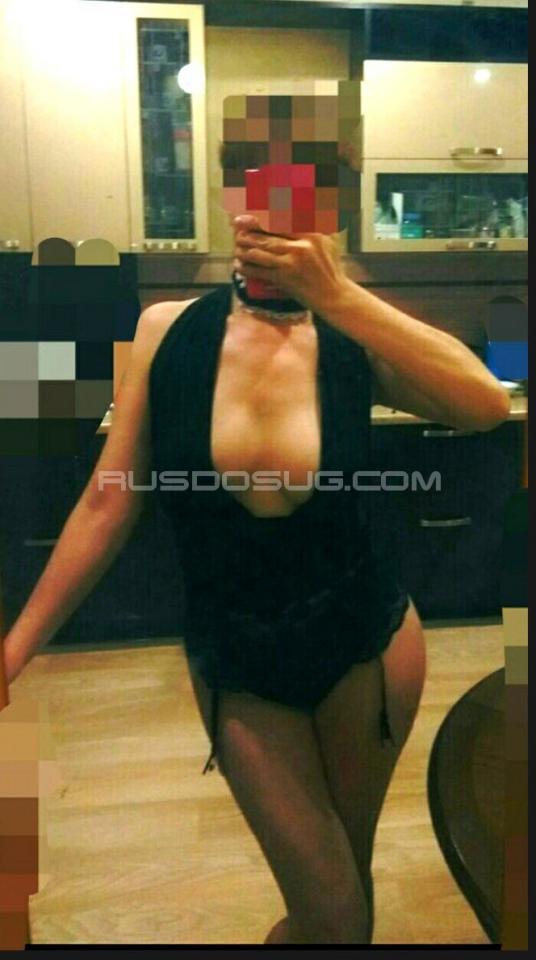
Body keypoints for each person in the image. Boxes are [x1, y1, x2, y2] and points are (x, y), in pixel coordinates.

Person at [3, 110, 510, 944]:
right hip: (237, 651)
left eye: (302, 191)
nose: (274, 210)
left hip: (368, 644)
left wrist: (336, 294)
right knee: (331, 910)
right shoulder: (166, 330)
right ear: (231, 200)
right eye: (255, 183)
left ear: (329, 211)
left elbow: (486, 405)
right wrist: (15, 648)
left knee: (345, 894)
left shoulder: (353, 331)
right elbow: (107, 498)